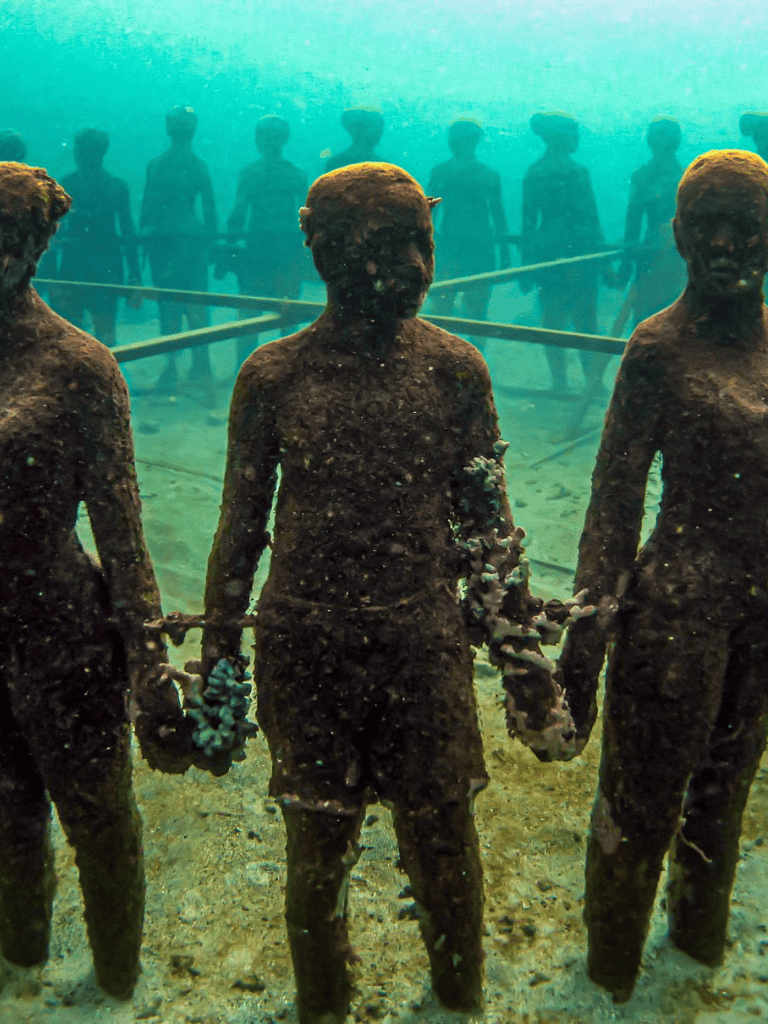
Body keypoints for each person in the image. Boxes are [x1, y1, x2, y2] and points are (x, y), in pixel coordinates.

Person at [194, 163, 575, 1023]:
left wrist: (524, 671)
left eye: (421, 243)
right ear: (325, 252)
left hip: (424, 645)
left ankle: (458, 999)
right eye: (382, 246)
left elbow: (488, 531)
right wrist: (220, 669)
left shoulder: (454, 371)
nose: (408, 266)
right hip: (305, 648)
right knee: (317, 848)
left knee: (444, 839)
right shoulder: (274, 377)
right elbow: (239, 532)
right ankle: (323, 1006)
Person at [558, 149, 768, 1002]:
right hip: (673, 611)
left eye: (746, 227)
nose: (725, 245)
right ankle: (610, 965)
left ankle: (698, 939)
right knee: (641, 801)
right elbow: (612, 504)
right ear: (677, 234)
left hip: (759, 618)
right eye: (707, 227)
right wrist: (584, 646)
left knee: (726, 791)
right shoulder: (656, 349)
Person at [0, 162, 193, 999]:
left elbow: (121, 536)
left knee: (99, 815)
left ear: (39, 241)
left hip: (63, 632)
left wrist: (149, 664)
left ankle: (116, 979)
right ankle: (22, 956)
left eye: (9, 232)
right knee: (6, 813)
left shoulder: (81, 367)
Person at [521, 112, 612, 393]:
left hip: (547, 252)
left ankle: (560, 383)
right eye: (574, 133)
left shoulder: (534, 171)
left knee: (553, 319)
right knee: (585, 320)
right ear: (562, 137)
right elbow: (591, 217)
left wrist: (527, 264)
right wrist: (605, 261)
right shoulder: (577, 172)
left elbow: (528, 224)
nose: (578, 138)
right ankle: (592, 383)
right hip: (580, 251)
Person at [140, 105, 217, 390]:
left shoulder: (158, 165)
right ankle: (196, 364)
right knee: (191, 302)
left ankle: (181, 365)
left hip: (166, 241)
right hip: (186, 239)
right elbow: (210, 213)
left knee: (171, 302)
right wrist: (211, 244)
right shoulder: (197, 166)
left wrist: (143, 244)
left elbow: (147, 210)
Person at [224, 115, 308, 365]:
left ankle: (244, 367)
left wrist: (230, 245)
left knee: (250, 313)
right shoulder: (296, 174)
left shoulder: (251, 173)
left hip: (258, 248)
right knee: (288, 313)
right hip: (286, 249)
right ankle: (288, 370)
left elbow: (238, 214)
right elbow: (305, 217)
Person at [47, 128, 140, 348]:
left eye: (82, 150)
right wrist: (134, 276)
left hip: (82, 267)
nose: (78, 155)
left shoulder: (68, 184)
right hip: (101, 267)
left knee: (81, 337)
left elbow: (52, 233)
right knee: (99, 336)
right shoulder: (114, 186)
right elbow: (128, 234)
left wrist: (135, 278)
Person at [426, 118, 511, 331]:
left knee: (444, 308)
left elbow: (429, 215)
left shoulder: (442, 172)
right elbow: (498, 217)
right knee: (473, 310)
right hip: (477, 246)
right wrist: (505, 253)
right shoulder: (488, 175)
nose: (452, 143)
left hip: (454, 245)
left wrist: (424, 248)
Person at [615, 117, 687, 329]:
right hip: (670, 253)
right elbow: (632, 223)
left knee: (649, 319)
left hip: (656, 253)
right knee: (661, 317)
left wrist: (626, 264)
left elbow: (632, 224)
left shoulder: (644, 176)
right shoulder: (684, 175)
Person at [324, 107, 384, 172]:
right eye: (374, 127)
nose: (379, 133)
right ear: (356, 130)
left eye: (380, 129)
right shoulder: (335, 163)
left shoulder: (335, 162)